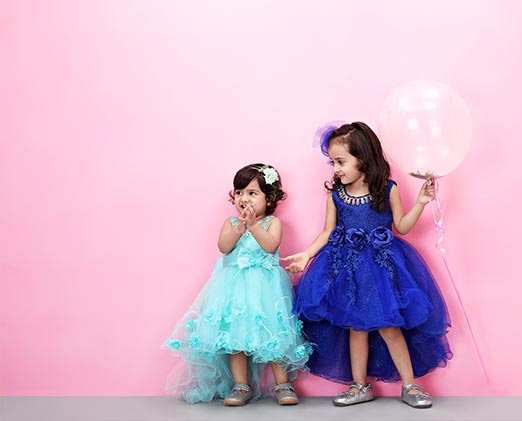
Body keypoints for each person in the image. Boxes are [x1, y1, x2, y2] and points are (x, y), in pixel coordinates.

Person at [284, 122, 452, 408]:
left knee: (389, 326)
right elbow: (326, 232)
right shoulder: (336, 195)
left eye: (341, 161)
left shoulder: (387, 190)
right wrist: (306, 254)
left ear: (362, 158)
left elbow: (401, 226)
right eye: (332, 162)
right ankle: (360, 385)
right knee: (355, 327)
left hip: (382, 268)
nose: (335, 168)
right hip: (346, 269)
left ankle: (410, 385)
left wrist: (421, 202)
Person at [163, 164, 312, 406]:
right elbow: (224, 247)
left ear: (270, 197)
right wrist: (240, 227)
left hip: (266, 290)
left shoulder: (272, 223)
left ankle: (282, 384)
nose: (244, 198)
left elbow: (271, 246)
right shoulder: (230, 222)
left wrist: (253, 225)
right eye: (239, 192)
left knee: (275, 334)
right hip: (233, 290)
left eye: (252, 193)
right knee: (235, 338)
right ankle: (241, 385)